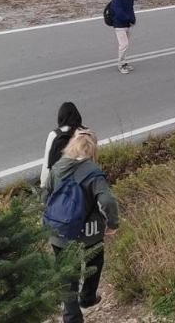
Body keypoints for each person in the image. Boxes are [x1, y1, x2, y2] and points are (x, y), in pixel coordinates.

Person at [42, 128, 119, 323]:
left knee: (68, 275)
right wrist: (112, 223)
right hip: (89, 233)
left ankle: (72, 317)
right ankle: (87, 297)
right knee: (95, 261)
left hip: (59, 232)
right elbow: (107, 201)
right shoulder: (93, 172)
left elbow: (45, 196)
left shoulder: (57, 167)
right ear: (92, 150)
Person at [40, 102, 86, 187]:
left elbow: (47, 162)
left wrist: (44, 185)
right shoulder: (86, 133)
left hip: (60, 183)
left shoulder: (54, 135)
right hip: (83, 181)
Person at [111, 0, 136, 74]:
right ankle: (120, 64)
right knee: (124, 45)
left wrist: (133, 19)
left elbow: (131, 8)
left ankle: (124, 62)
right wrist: (129, 19)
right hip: (119, 24)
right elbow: (119, 13)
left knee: (125, 45)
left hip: (128, 24)